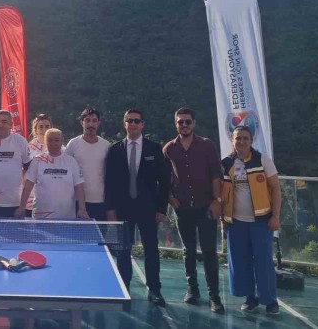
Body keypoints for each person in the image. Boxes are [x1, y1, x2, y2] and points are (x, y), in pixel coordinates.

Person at [104, 109, 170, 306]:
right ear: (124, 123)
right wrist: (111, 210)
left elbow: (164, 181)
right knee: (123, 251)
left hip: (148, 209)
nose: (132, 124)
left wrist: (162, 208)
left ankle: (155, 290)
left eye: (136, 121)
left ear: (142, 124)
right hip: (123, 210)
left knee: (151, 249)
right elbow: (110, 183)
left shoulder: (154, 149)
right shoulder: (115, 150)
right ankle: (124, 289)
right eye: (129, 120)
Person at [163, 108, 224, 313]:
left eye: (187, 121)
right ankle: (192, 290)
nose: (184, 125)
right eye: (180, 122)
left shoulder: (207, 145)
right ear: (176, 124)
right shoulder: (169, 149)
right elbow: (164, 178)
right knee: (188, 251)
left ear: (194, 123)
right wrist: (170, 198)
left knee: (209, 252)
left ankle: (214, 296)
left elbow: (216, 174)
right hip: (183, 208)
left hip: (206, 206)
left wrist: (217, 201)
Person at [221, 125, 281, 315]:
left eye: (245, 138)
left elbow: (276, 188)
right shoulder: (226, 163)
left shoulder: (262, 159)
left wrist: (276, 216)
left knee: (264, 262)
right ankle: (250, 298)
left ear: (251, 140)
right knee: (240, 261)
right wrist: (223, 219)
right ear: (232, 140)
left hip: (261, 221)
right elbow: (221, 194)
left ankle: (270, 301)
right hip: (236, 222)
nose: (242, 142)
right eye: (238, 138)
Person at [16, 128, 89, 219]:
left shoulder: (71, 161)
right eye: (50, 140)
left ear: (62, 141)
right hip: (41, 216)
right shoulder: (37, 160)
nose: (53, 143)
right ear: (45, 142)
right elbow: (28, 186)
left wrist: (82, 209)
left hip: (66, 216)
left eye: (56, 140)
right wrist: (22, 207)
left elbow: (79, 187)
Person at [66, 106, 110, 221]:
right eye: (87, 120)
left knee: (100, 234)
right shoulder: (73, 144)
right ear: (82, 122)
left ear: (98, 123)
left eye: (94, 121)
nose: (91, 124)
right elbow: (65, 171)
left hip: (100, 201)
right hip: (77, 202)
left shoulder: (106, 145)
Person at [26, 114, 55, 216]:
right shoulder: (28, 148)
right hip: (31, 198)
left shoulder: (60, 148)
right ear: (35, 130)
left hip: (51, 197)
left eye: (47, 126)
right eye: (41, 127)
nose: (44, 130)